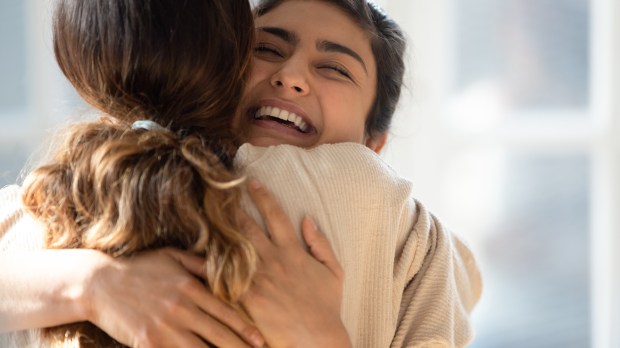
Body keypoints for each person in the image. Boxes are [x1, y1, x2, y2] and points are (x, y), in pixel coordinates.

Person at [0, 0, 482, 346]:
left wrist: (319, 338)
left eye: (334, 68)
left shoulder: (412, 237)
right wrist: (93, 283)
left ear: (373, 144)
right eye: (268, 49)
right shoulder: (76, 186)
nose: (291, 75)